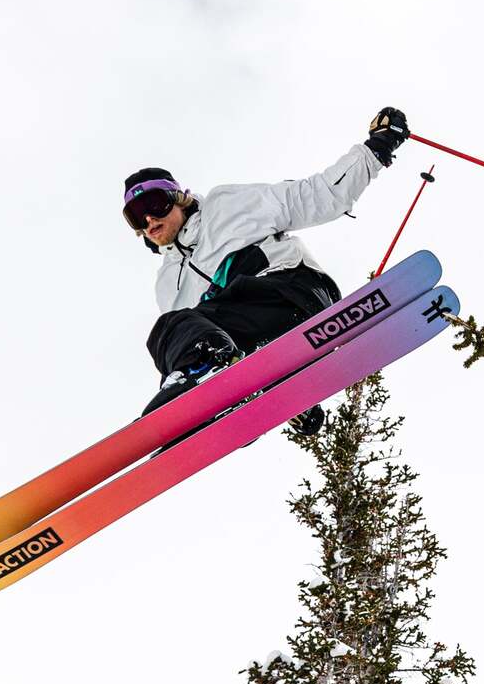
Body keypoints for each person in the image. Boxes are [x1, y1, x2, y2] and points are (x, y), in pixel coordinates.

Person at [121, 106, 411, 437]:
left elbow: (313, 196)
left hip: (291, 294)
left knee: (183, 328)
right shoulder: (167, 284)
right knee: (170, 335)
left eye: (155, 205)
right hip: (254, 335)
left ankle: (211, 378)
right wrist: (293, 402)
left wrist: (378, 148)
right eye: (135, 216)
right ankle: (210, 406)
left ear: (179, 198)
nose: (149, 221)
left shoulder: (226, 207)